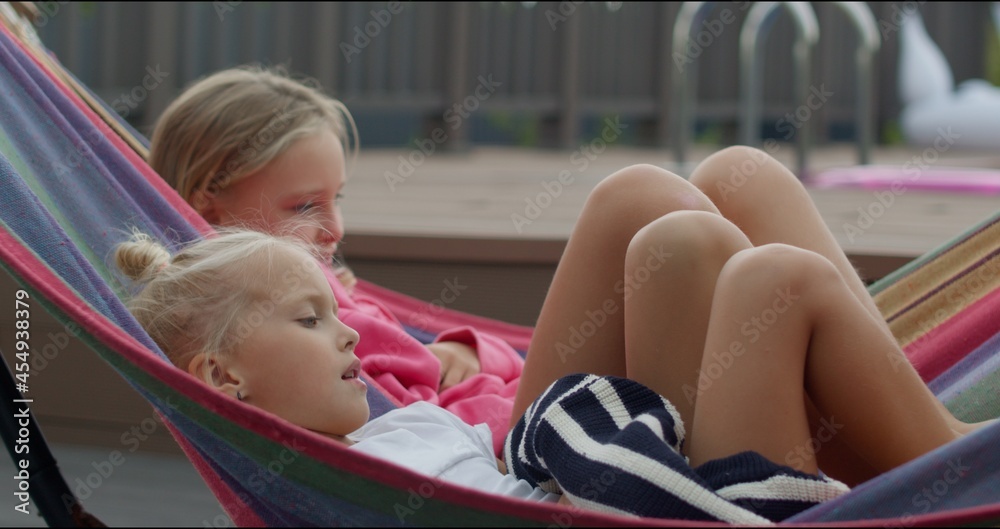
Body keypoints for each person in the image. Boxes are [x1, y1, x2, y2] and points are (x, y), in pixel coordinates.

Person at [148, 66, 985, 477]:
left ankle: (920, 434)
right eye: (302, 207)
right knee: (654, 206)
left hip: (541, 419)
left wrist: (463, 346)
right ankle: (948, 460)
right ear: (208, 206)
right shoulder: (258, 314)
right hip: (535, 450)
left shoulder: (313, 298)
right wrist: (460, 362)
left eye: (337, 198)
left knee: (737, 179)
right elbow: (394, 400)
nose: (331, 229)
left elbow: (446, 362)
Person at [113, 227, 989, 522]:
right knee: (776, 279)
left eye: (336, 313)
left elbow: (526, 442)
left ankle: (937, 455)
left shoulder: (393, 433)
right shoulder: (320, 492)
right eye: (312, 321)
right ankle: (962, 470)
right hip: (696, 513)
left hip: (663, 476)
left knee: (678, 232)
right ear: (224, 380)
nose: (347, 339)